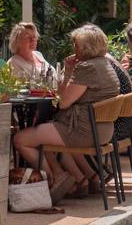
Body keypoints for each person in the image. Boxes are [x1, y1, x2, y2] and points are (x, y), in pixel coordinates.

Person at [13, 24, 119, 203]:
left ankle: (55, 178)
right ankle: (78, 178)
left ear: (86, 47)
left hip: (83, 131)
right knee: (46, 131)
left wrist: (69, 72)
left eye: (76, 44)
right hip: (103, 130)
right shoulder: (104, 64)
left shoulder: (87, 68)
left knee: (20, 139)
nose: (74, 48)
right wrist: (69, 71)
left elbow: (63, 102)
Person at [4, 22, 57, 88]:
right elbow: (18, 90)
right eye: (28, 37)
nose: (33, 40)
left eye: (34, 37)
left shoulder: (38, 55)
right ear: (17, 41)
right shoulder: (13, 63)